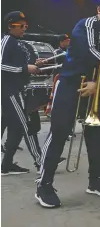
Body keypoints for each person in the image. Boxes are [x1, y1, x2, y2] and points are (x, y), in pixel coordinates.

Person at [35, 0, 100, 208]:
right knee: (59, 133)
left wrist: (98, 84)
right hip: (71, 84)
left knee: (97, 137)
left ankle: (95, 179)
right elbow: (88, 51)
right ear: (99, 10)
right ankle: (44, 184)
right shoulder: (86, 24)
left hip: (96, 89)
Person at [1, 11, 42, 175]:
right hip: (9, 90)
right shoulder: (6, 41)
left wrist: (34, 64)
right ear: (11, 26)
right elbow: (1, 65)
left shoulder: (18, 43)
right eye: (22, 26)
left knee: (16, 128)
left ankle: (6, 165)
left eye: (26, 26)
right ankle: (41, 160)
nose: (25, 28)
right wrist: (26, 68)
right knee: (26, 125)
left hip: (19, 89)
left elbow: (20, 65)